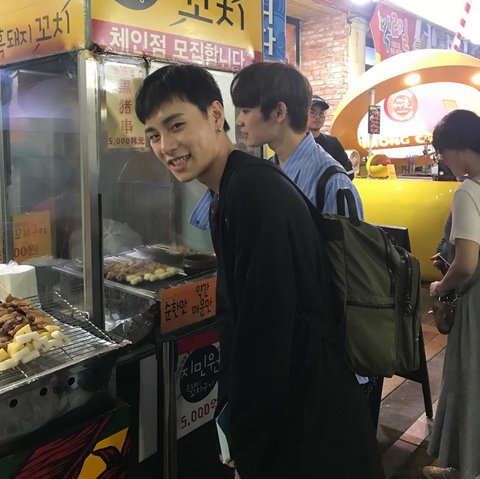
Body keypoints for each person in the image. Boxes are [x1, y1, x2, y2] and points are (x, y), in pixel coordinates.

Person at [135, 63, 384, 479]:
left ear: (216, 115)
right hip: (294, 412)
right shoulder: (230, 190)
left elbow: (266, 332)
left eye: (176, 125)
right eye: (154, 135)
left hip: (308, 422)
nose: (166, 146)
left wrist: (248, 441)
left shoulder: (251, 191)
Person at [423, 109, 480, 479]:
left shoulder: (467, 192)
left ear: (458, 148)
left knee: (469, 380)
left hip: (475, 304)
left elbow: (466, 264)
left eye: (442, 153)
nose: (443, 161)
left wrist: (440, 287)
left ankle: (466, 467)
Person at [307, 94, 355, 179]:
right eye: (312, 113)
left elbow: (349, 171)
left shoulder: (333, 143)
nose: (318, 117)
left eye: (321, 113)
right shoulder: (297, 142)